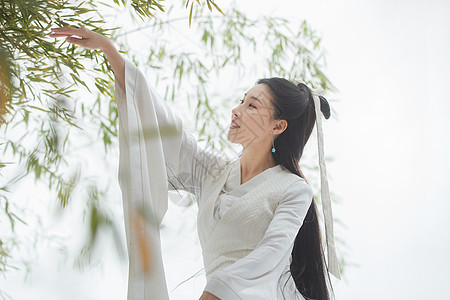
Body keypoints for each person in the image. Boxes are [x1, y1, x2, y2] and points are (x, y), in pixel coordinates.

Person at [50, 27, 340, 300]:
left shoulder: (293, 189)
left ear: (278, 126)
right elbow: (166, 132)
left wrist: (218, 288)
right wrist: (112, 53)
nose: (236, 110)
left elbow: (271, 254)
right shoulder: (213, 173)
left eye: (252, 105)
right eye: (241, 101)